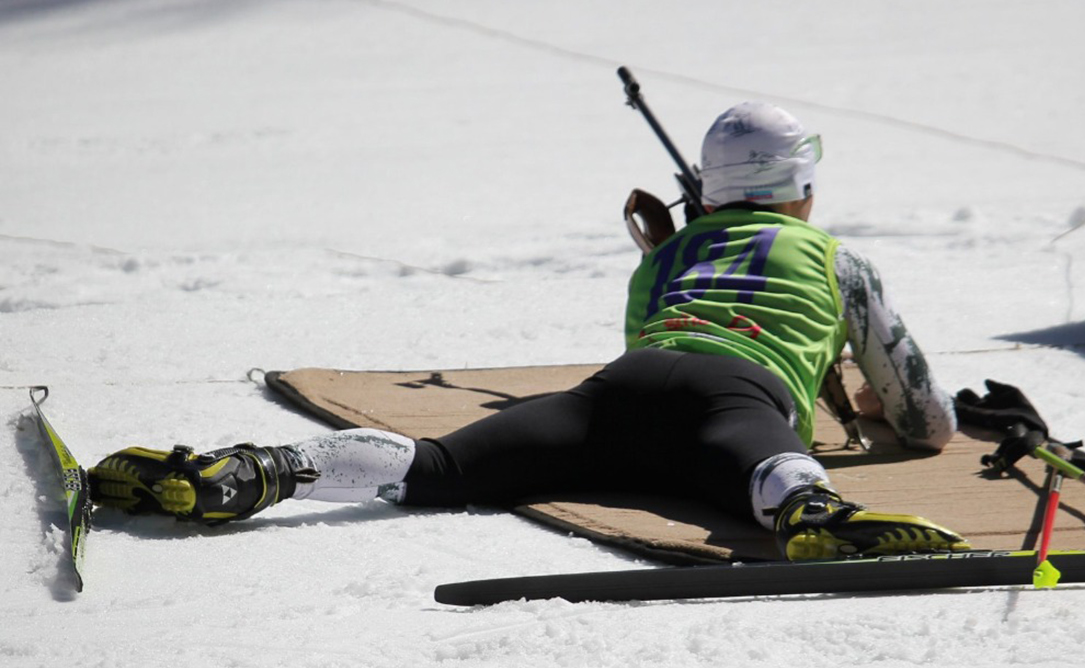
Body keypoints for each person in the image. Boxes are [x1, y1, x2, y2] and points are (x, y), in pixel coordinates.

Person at [87, 102, 968, 560]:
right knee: (759, 460)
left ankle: (256, 470)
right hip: (731, 398)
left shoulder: (660, 260)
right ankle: (812, 510)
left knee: (437, 467)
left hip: (618, 394)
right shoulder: (835, 260)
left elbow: (654, 346)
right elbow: (926, 422)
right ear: (801, 188)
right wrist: (858, 397)